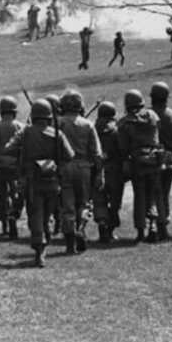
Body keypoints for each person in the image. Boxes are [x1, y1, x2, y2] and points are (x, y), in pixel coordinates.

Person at [0, 99, 74, 267]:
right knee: (46, 216)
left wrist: (23, 150)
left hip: (32, 181)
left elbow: (7, 148)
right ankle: (43, 245)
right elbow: (69, 155)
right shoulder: (57, 134)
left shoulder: (25, 133)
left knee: (36, 216)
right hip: (52, 181)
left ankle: (40, 249)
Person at [58, 90, 101, 253]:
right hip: (84, 168)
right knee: (83, 204)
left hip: (64, 167)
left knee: (67, 205)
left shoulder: (57, 123)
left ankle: (70, 243)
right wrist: (99, 174)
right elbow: (96, 153)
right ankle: (80, 229)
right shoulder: (88, 124)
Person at [117, 90, 163, 243]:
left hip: (137, 162)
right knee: (152, 196)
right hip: (153, 159)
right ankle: (153, 225)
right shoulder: (152, 116)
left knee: (140, 196)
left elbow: (123, 147)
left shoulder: (124, 123)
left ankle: (141, 231)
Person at [148, 82, 172, 240]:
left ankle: (155, 224)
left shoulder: (146, 115)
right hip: (169, 160)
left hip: (150, 159)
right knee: (164, 192)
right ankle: (162, 223)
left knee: (153, 193)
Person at [0, 96, 25, 239]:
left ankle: (4, 224)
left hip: (0, 166)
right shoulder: (21, 126)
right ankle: (13, 217)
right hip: (16, 167)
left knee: (2, 196)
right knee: (16, 194)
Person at [92, 102, 124, 243]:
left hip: (97, 170)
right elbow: (122, 150)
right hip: (115, 171)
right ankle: (110, 230)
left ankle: (103, 228)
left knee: (99, 201)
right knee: (115, 201)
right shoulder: (117, 130)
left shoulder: (92, 128)